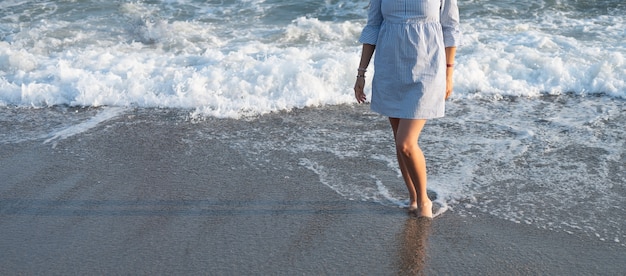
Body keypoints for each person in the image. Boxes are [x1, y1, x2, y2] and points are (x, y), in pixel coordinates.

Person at [354, 0, 460, 218]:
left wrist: (449, 73)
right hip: (390, 67)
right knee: (398, 139)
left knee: (406, 142)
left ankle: (424, 201)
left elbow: (450, 28)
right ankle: (412, 197)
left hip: (427, 68)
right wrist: (361, 73)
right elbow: (373, 26)